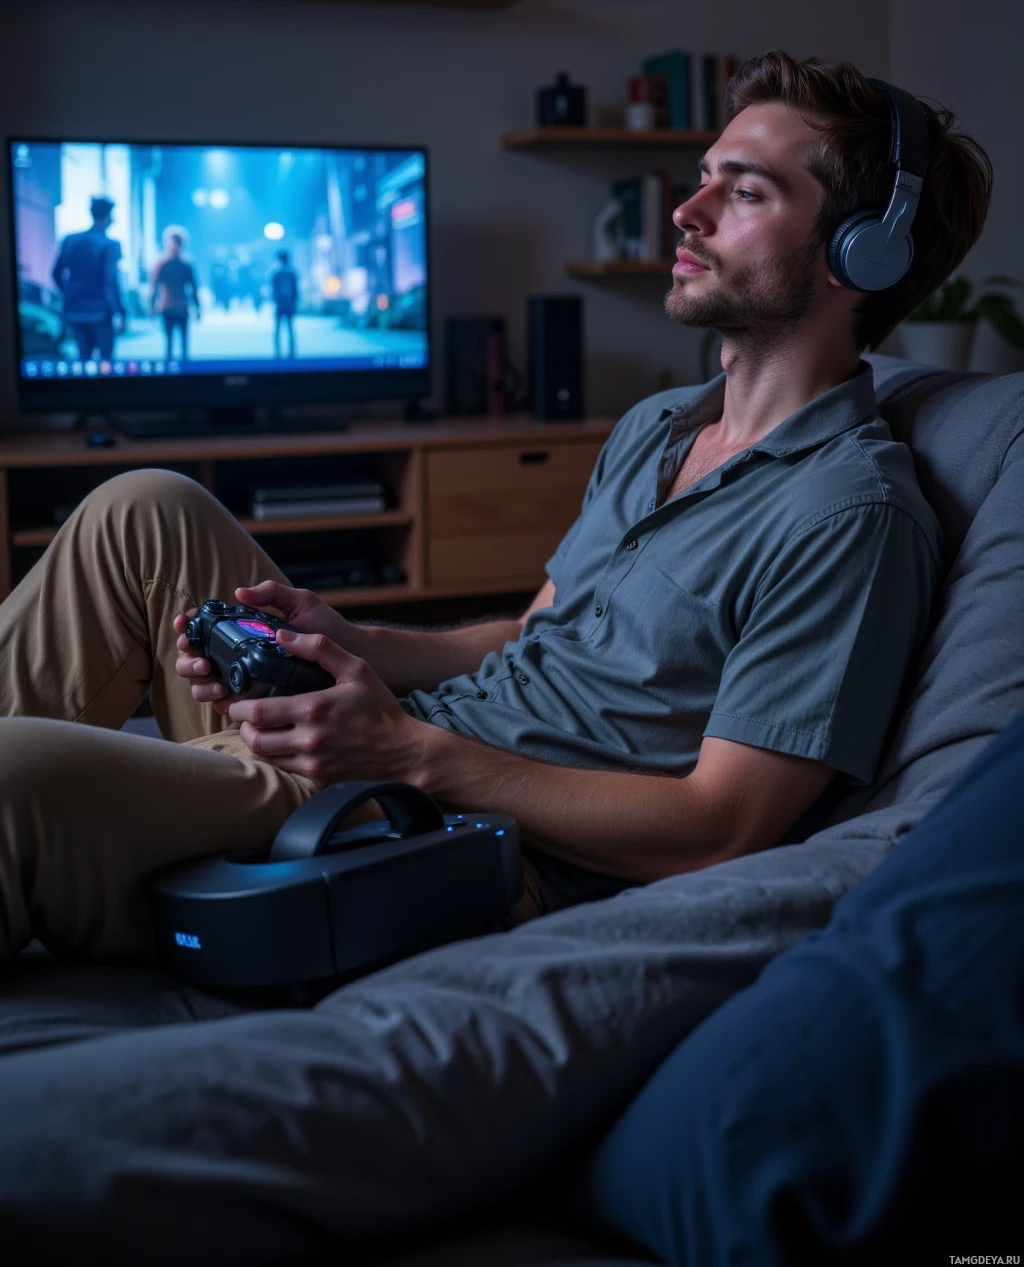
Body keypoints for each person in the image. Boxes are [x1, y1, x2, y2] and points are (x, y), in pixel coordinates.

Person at [0, 52, 992, 964]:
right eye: (702, 176)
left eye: (744, 192)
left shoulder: (847, 516)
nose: (686, 212)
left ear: (859, 255)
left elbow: (720, 827)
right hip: (400, 742)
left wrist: (403, 753)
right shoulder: (655, 426)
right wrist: (351, 639)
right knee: (146, 507)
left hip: (434, 830)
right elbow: (533, 634)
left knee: (14, 777)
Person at [50, 195, 126, 363]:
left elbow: (55, 274)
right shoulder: (110, 245)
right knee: (106, 361)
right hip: (101, 313)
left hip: (75, 310)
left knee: (83, 360)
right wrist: (120, 311)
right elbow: (111, 281)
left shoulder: (70, 240)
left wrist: (69, 294)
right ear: (107, 217)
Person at [149, 226, 200, 362]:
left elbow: (193, 287)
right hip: (167, 307)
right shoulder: (161, 263)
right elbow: (153, 287)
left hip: (182, 307)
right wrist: (151, 307)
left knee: (184, 345)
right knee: (169, 344)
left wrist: (197, 307)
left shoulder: (186, 264)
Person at [268, 247, 299, 358]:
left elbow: (273, 290)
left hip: (280, 305)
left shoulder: (276, 273)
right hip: (289, 304)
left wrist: (275, 301)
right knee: (290, 328)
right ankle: (291, 352)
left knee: (278, 328)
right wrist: (295, 303)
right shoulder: (292, 273)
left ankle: (277, 352)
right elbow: (296, 291)